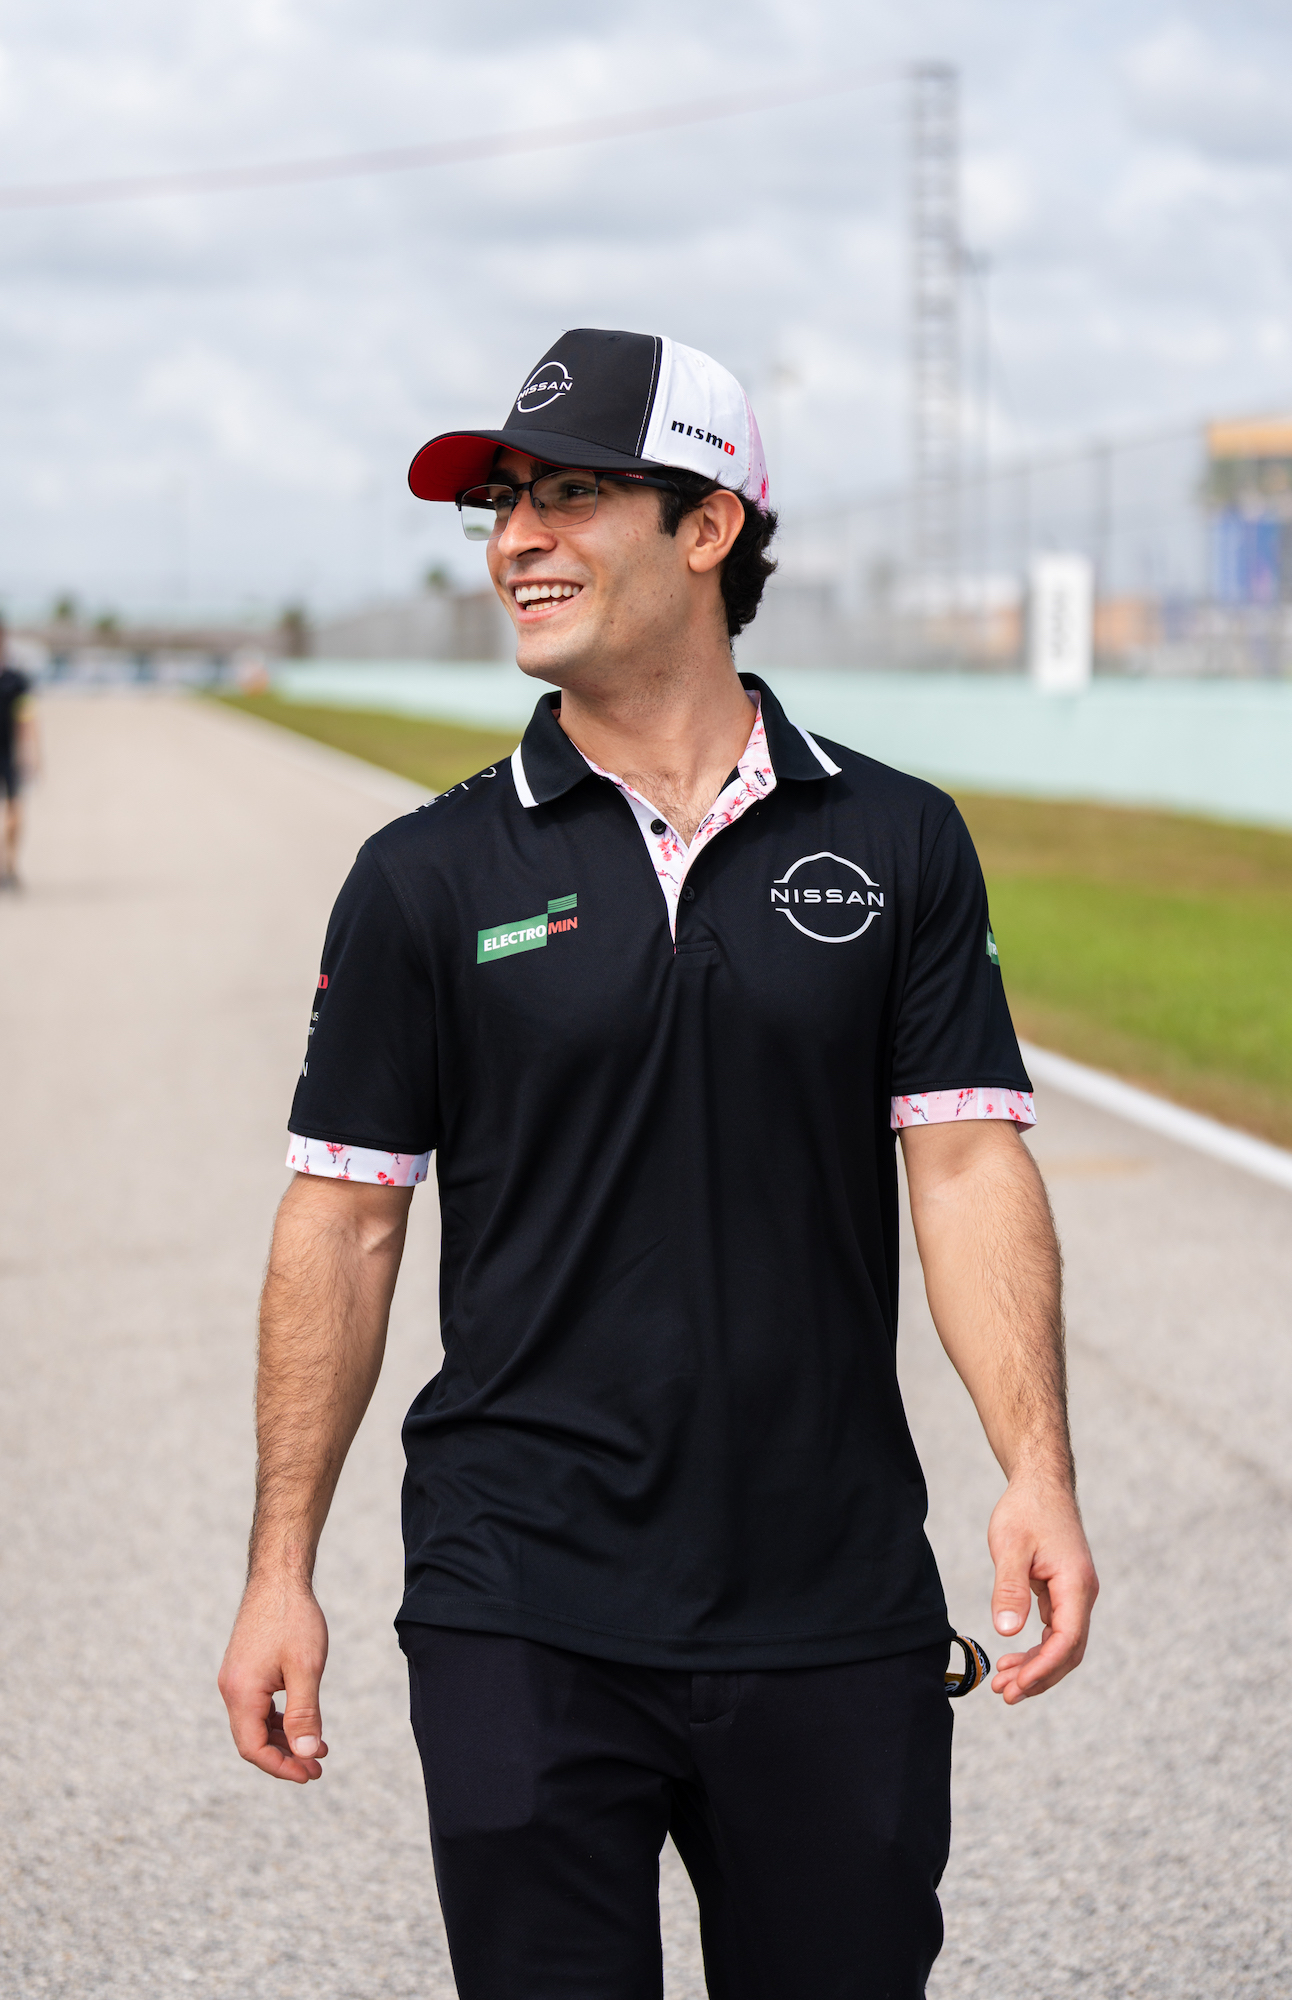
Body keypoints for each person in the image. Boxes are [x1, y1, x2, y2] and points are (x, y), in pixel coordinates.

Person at [219, 328, 1098, 1999]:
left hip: (829, 1592)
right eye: (500, 505)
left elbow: (968, 1170)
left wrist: (1035, 1471)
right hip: (515, 1594)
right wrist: (279, 1572)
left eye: (566, 496)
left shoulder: (896, 840)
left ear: (708, 528)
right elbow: (341, 1225)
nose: (515, 541)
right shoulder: (422, 875)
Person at [0, 615, 38, 888]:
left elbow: (27, 718)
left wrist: (32, 752)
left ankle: (10, 865)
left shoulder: (16, 681)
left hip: (8, 754)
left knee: (15, 813)